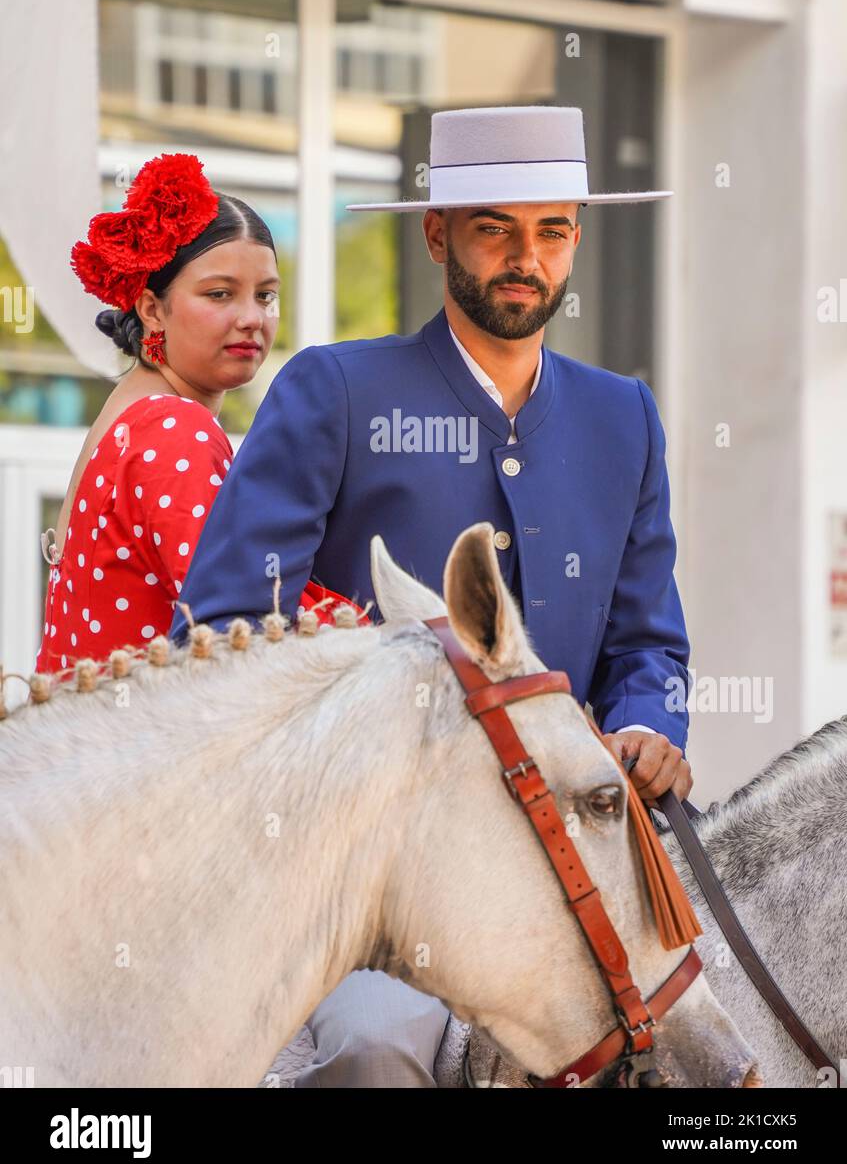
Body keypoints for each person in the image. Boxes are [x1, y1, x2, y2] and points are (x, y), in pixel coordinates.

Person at [169, 105, 693, 1087]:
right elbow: (219, 632)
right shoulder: (334, 391)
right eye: (494, 226)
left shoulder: (624, 416)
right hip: (375, 869)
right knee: (379, 1047)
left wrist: (648, 726)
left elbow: (647, 646)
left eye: (551, 230)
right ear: (437, 233)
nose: (523, 257)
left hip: (576, 863)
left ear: (575, 238)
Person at [35, 152, 365, 678]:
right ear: (151, 309)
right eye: (219, 294)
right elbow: (240, 621)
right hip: (147, 748)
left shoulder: (130, 414)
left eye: (266, 295)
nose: (252, 318)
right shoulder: (174, 428)